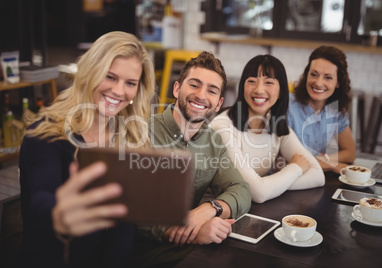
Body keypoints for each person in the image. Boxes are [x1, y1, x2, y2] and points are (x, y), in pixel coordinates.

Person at [18, 31, 156, 267]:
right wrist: (61, 214)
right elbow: (42, 198)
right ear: (91, 72)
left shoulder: (131, 137)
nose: (119, 91)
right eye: (110, 77)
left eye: (130, 83)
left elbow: (124, 227)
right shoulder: (47, 133)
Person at [135, 51, 252, 267]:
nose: (201, 95)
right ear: (177, 88)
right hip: (146, 255)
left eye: (211, 90)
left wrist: (209, 209)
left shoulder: (213, 140)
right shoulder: (141, 132)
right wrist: (192, 232)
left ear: (218, 103)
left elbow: (241, 190)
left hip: (194, 251)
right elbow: (132, 212)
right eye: (194, 85)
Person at [210, 54, 325, 204]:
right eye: (251, 81)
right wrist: (295, 168)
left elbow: (317, 176)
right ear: (242, 86)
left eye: (269, 82)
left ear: (281, 92)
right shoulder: (223, 127)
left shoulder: (276, 125)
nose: (259, 90)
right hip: (212, 208)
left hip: (246, 207)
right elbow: (258, 193)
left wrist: (270, 185)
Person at [287, 46, 356, 174]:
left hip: (313, 179)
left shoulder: (335, 108)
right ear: (306, 75)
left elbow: (350, 153)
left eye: (328, 77)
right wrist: (331, 165)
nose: (318, 83)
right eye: (314, 74)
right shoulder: (287, 107)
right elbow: (285, 163)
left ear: (338, 83)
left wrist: (324, 160)